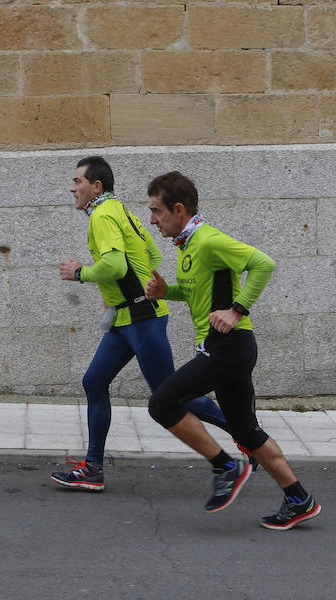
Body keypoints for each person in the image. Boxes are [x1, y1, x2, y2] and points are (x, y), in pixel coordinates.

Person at [144, 171, 320, 530]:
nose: (152, 219)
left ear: (179, 209)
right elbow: (196, 294)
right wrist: (167, 294)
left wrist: (237, 309)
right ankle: (298, 498)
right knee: (246, 432)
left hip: (227, 347)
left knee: (162, 403)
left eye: (157, 211)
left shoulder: (208, 241)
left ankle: (225, 466)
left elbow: (263, 263)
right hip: (230, 349)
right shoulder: (189, 245)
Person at [52, 157, 228, 491]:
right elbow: (151, 254)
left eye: (77, 181)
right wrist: (119, 293)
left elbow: (116, 266)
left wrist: (79, 273)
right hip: (128, 315)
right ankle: (92, 468)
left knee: (171, 394)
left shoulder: (102, 215)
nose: (72, 187)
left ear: (96, 186)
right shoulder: (119, 210)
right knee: (94, 382)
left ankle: (246, 434)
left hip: (141, 317)